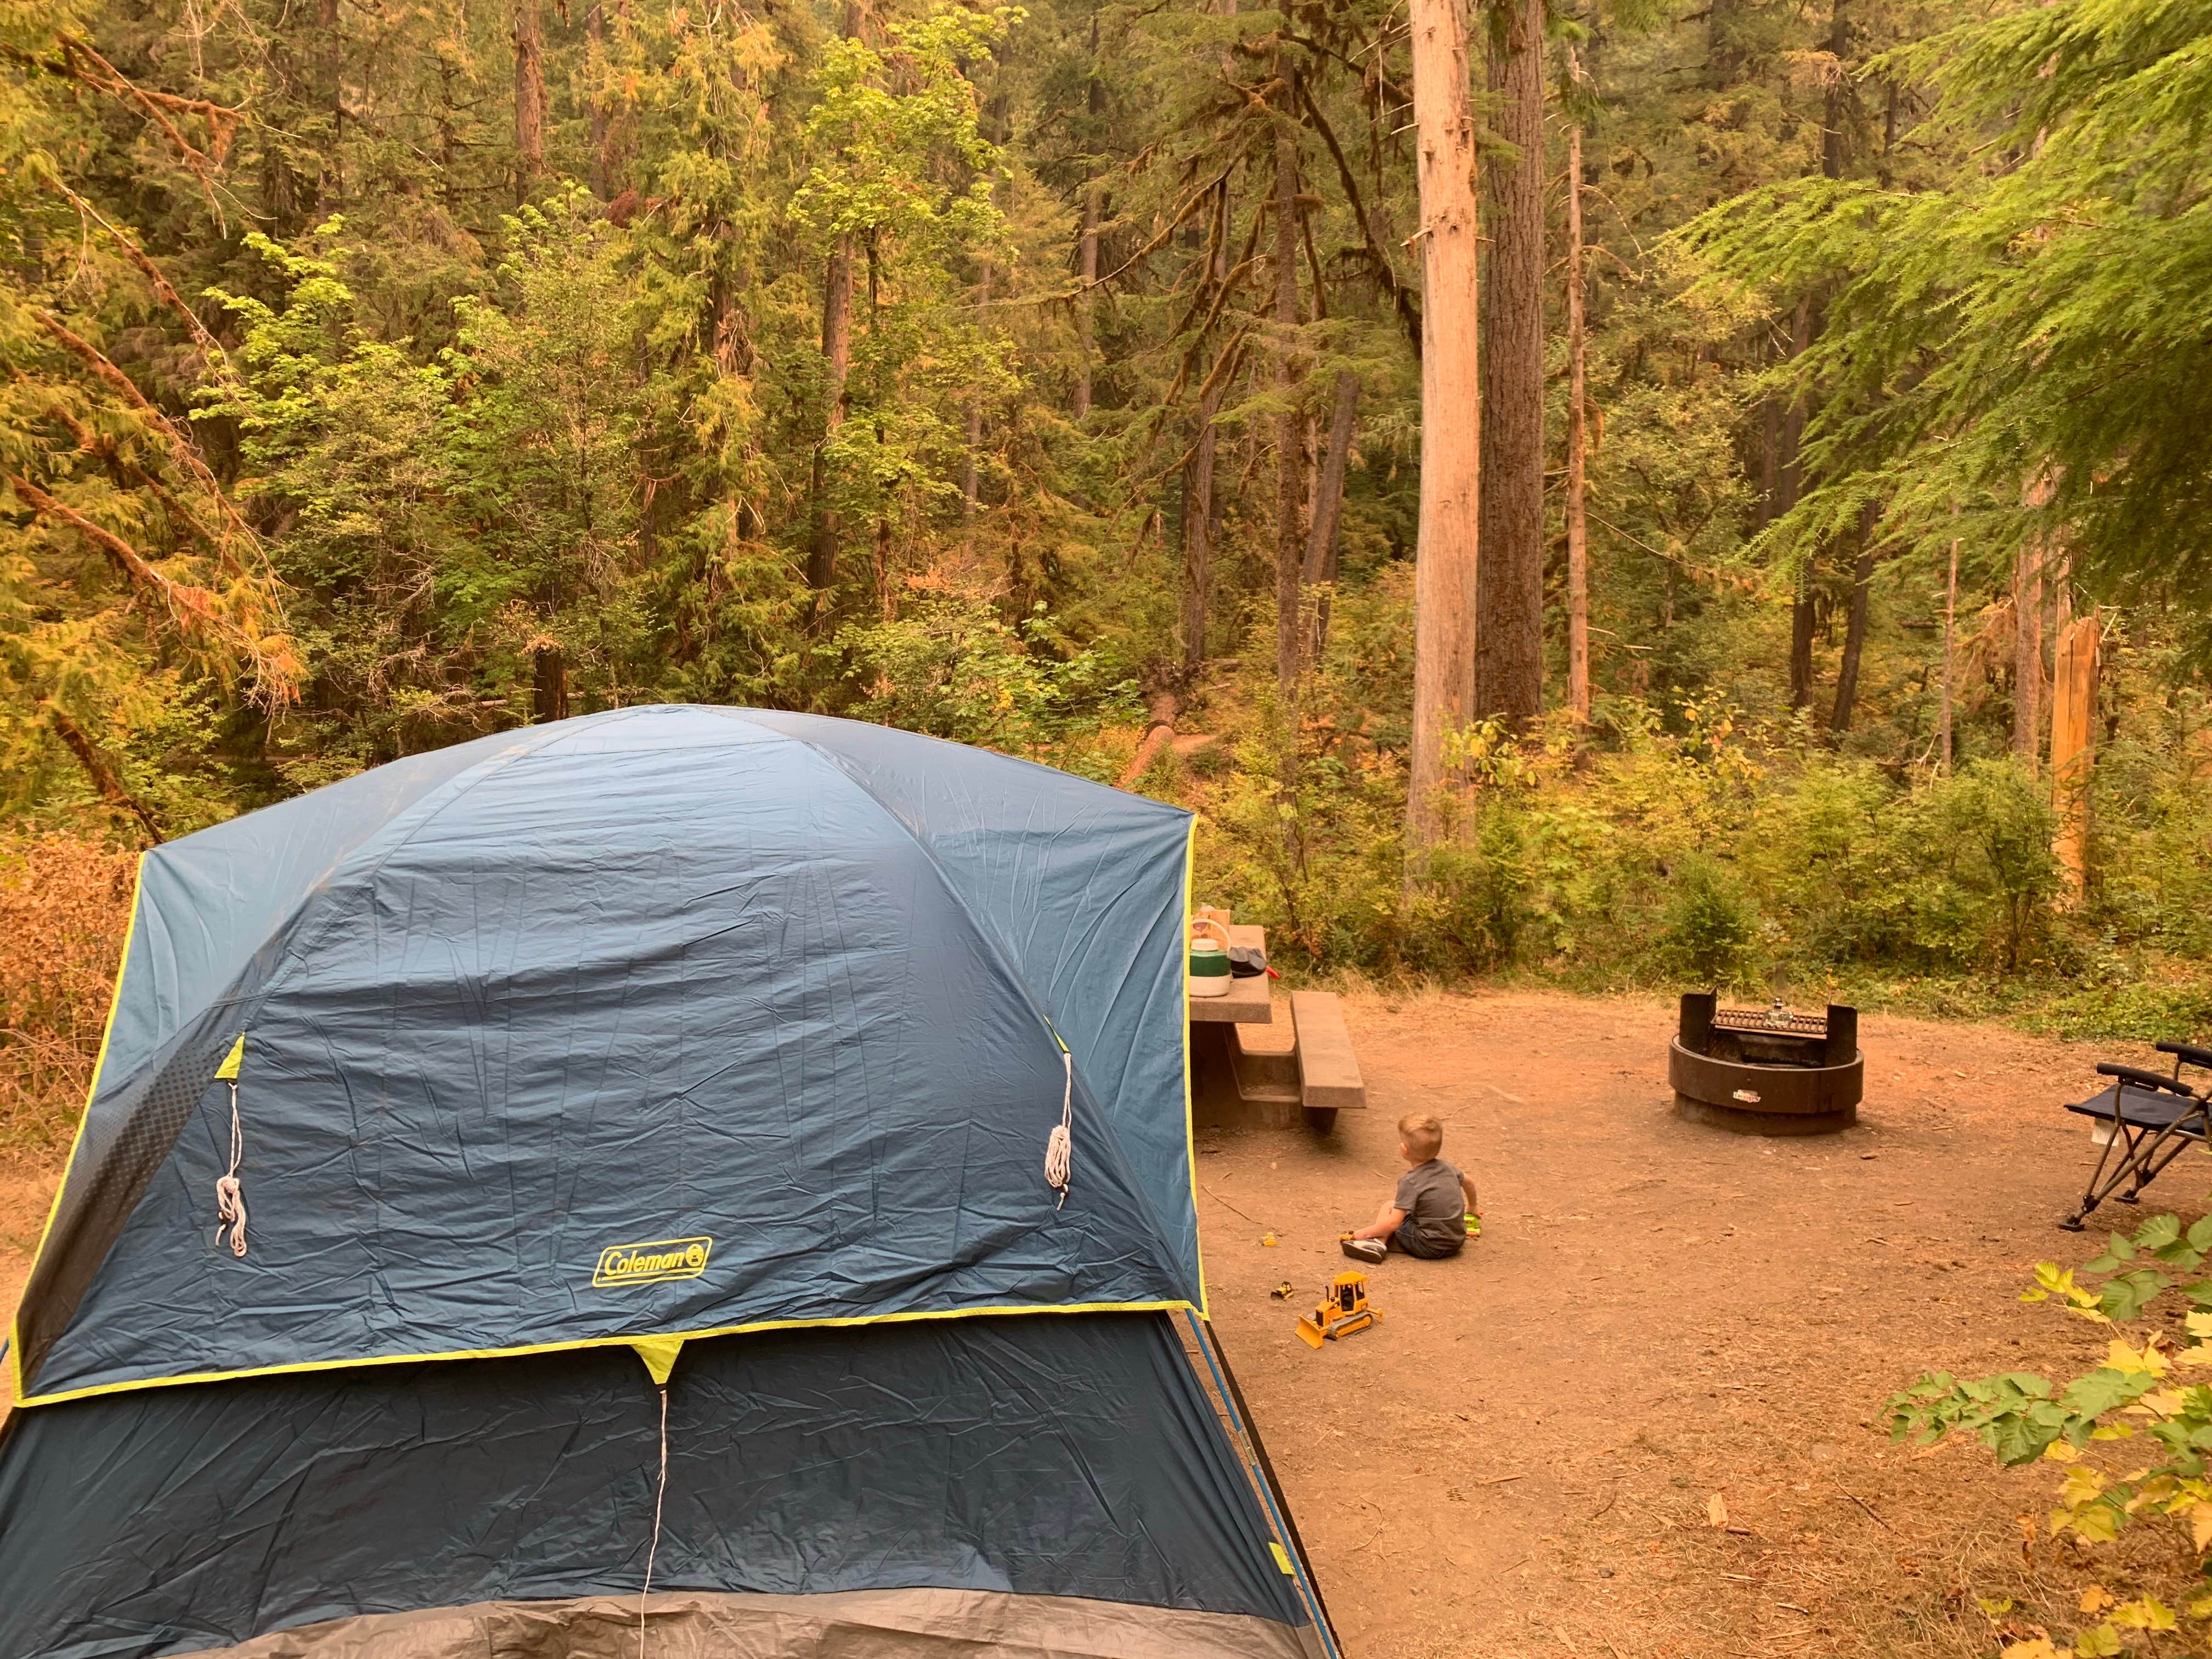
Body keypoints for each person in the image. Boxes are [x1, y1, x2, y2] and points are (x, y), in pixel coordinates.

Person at [1339, 1113, 1477, 1263]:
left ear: (1404, 1149)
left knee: (1389, 1206)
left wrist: (1363, 1233)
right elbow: (1469, 1183)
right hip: (1455, 1242)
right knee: (1411, 1211)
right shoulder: (1449, 1169)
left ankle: (1377, 1242)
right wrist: (1472, 1206)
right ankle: (1382, 1240)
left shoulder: (1410, 1182)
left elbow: (1394, 1223)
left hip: (1428, 1246)